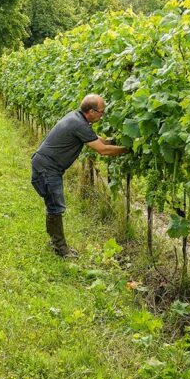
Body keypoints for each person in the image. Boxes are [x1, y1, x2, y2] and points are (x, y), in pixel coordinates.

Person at [31, 94, 129, 257]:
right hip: (47, 168)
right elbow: (102, 150)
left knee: (53, 206)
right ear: (91, 111)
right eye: (101, 112)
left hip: (45, 165)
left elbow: (100, 140)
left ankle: (55, 243)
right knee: (56, 206)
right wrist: (127, 149)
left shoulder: (77, 119)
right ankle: (61, 249)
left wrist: (118, 141)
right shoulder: (79, 124)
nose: (102, 115)